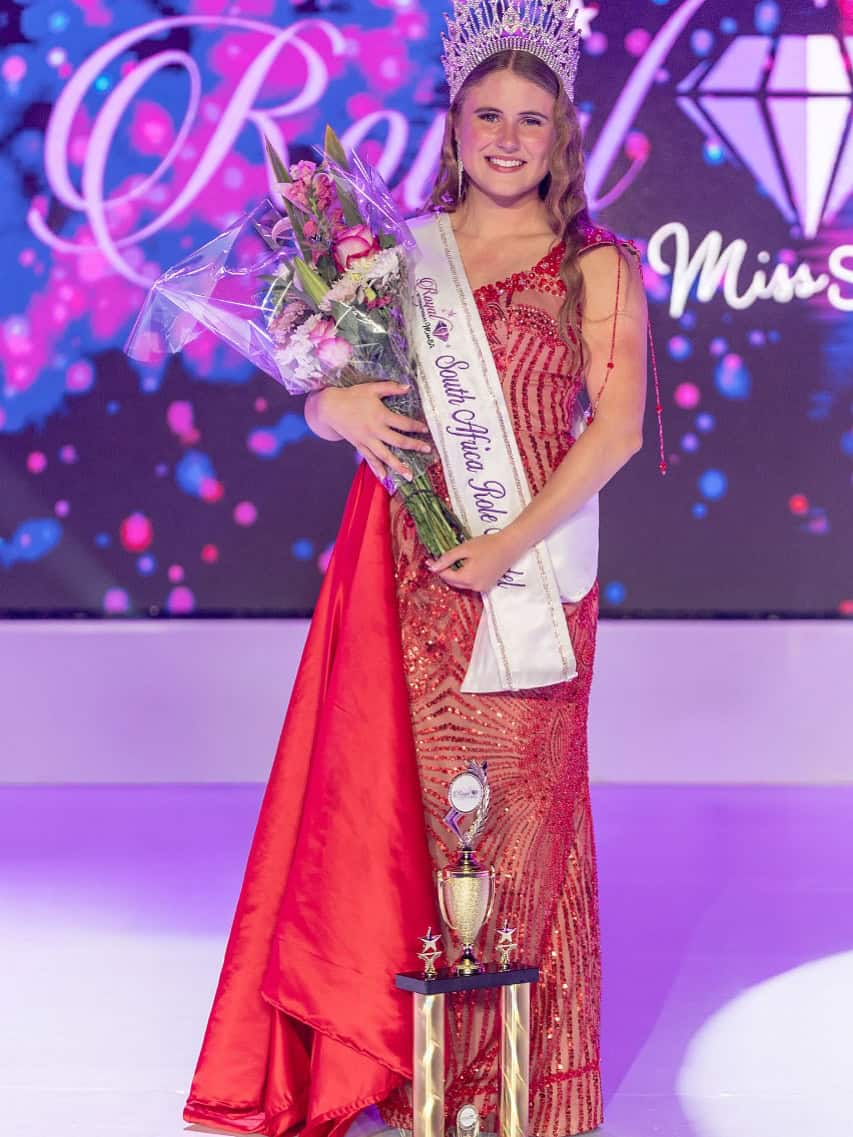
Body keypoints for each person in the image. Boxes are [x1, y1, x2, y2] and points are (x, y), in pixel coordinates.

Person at [183, 8, 653, 1137]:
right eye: (486, 115)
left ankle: (516, 1084)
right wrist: (327, 403)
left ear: (561, 133)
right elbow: (332, 379)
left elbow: (617, 430)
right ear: (453, 125)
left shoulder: (599, 264)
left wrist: (505, 542)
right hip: (402, 571)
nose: (506, 137)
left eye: (529, 119)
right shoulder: (390, 256)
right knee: (404, 819)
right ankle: (411, 1069)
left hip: (522, 569)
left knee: (517, 822)